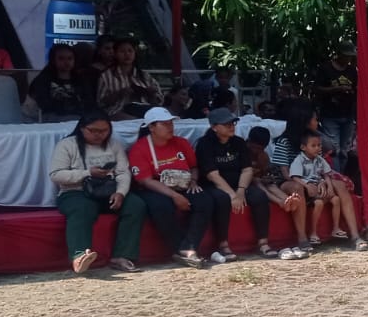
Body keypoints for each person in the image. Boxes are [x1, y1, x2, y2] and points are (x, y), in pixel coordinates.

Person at [49, 109, 146, 273]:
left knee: (135, 205)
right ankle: (79, 256)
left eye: (103, 131)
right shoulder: (67, 145)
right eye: (93, 131)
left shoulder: (114, 144)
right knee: (83, 208)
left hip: (108, 190)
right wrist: (87, 173)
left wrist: (121, 192)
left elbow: (123, 172)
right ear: (82, 128)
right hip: (75, 192)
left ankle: (122, 255)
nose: (98, 135)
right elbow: (56, 174)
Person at [128, 107, 215, 269]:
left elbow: (194, 166)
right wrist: (174, 196)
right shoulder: (140, 148)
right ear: (152, 127)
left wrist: (194, 181)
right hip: (155, 187)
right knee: (161, 206)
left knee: (204, 201)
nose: (170, 127)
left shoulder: (181, 143)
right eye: (164, 124)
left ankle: (189, 246)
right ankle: (179, 247)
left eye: (171, 123)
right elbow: (145, 181)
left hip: (184, 183)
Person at [196, 108, 278, 260]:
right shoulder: (204, 144)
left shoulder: (239, 143)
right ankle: (223, 245)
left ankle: (263, 243)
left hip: (239, 184)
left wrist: (240, 191)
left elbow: (247, 170)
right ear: (214, 127)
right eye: (226, 124)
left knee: (259, 196)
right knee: (222, 199)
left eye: (232, 123)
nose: (231, 126)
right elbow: (212, 174)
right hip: (214, 185)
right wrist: (232, 195)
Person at [291, 129, 368, 251]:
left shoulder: (319, 158)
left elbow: (327, 174)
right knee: (318, 202)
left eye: (319, 145)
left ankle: (346, 232)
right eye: (314, 146)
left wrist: (329, 185)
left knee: (337, 196)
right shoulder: (299, 159)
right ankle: (310, 235)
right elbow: (294, 176)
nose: (317, 148)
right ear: (303, 147)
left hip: (320, 184)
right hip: (307, 187)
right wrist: (307, 185)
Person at [245, 126, 307, 258]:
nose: (256, 151)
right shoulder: (242, 151)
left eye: (260, 148)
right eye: (254, 147)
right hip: (247, 184)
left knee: (269, 184)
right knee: (257, 182)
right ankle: (281, 202)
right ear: (248, 141)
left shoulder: (263, 156)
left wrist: (265, 177)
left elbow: (265, 173)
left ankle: (287, 200)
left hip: (261, 182)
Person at [312, 44, 358, 170]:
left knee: (344, 150)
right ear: (340, 54)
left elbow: (356, 88)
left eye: (351, 57)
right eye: (347, 56)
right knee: (334, 148)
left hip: (348, 113)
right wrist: (335, 89)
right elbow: (317, 88)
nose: (349, 59)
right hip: (330, 114)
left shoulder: (352, 70)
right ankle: (335, 175)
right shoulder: (326, 68)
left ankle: (341, 174)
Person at [97, 36, 164, 120]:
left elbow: (159, 101)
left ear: (135, 53)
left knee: (162, 115)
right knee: (134, 120)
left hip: (144, 110)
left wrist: (151, 94)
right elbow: (101, 103)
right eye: (122, 51)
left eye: (130, 51)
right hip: (117, 112)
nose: (127, 54)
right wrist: (119, 93)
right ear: (115, 54)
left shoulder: (144, 75)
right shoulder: (106, 76)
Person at [28, 43, 96, 121]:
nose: (66, 62)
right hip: (50, 118)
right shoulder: (43, 80)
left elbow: (89, 101)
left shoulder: (81, 80)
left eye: (70, 58)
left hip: (78, 117)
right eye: (61, 58)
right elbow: (44, 103)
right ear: (53, 60)